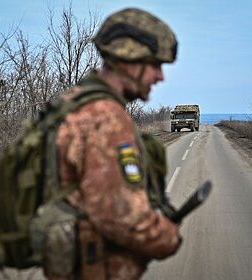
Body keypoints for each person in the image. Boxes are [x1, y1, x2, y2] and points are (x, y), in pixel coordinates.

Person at [45, 7, 182, 280]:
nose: (160, 76)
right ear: (130, 61)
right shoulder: (107, 119)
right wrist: (167, 236)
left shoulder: (73, 101)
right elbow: (124, 219)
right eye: (155, 64)